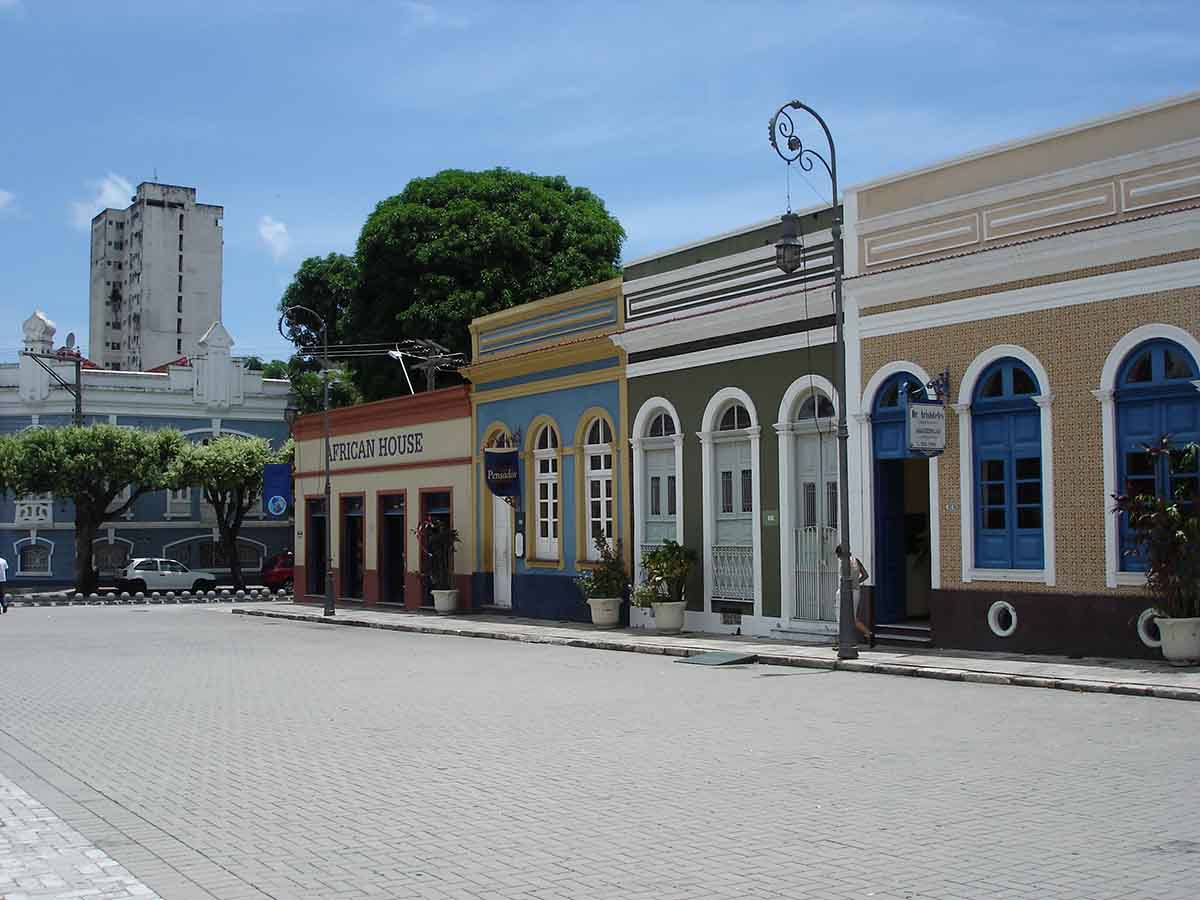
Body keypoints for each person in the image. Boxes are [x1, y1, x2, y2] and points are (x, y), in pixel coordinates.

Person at [834, 545, 871, 644]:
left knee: (841, 617)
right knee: (852, 617)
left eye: (838, 555)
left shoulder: (845, 563)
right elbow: (865, 575)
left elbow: (844, 579)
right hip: (856, 591)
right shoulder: (856, 560)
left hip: (846, 591)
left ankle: (843, 641)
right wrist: (856, 582)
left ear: (840, 554)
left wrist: (850, 584)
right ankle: (867, 634)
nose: (839, 558)